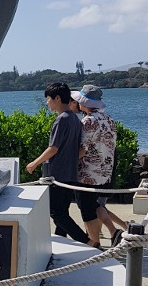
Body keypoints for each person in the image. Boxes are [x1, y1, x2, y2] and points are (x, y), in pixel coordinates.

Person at [26, 81, 90, 244]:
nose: (47, 102)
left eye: (48, 98)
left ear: (57, 98)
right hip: (70, 173)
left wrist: (34, 163)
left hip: (58, 174)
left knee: (56, 213)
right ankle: (60, 242)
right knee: (62, 212)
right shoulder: (75, 119)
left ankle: (87, 242)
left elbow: (53, 148)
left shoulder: (62, 120)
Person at [71, 84, 117, 248]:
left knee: (86, 209)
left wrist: (67, 161)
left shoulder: (88, 121)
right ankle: (114, 232)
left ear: (85, 103)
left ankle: (93, 243)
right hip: (105, 172)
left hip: (88, 173)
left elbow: (83, 149)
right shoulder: (109, 119)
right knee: (95, 204)